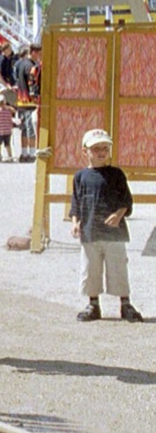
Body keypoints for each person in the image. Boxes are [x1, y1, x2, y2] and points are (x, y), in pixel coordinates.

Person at [71, 129, 142, 323]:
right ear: (85, 151)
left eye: (105, 148)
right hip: (90, 232)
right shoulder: (80, 177)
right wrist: (76, 222)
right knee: (90, 269)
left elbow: (126, 200)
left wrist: (118, 215)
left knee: (118, 268)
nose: (101, 152)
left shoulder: (117, 174)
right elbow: (76, 202)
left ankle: (125, 303)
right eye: (96, 149)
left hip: (114, 234)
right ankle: (93, 304)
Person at [14, 43, 41, 163]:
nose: (40, 56)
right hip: (30, 101)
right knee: (31, 128)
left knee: (24, 128)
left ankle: (24, 153)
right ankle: (32, 153)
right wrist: (35, 95)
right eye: (40, 53)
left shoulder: (20, 63)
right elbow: (32, 82)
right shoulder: (32, 66)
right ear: (34, 52)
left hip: (21, 99)